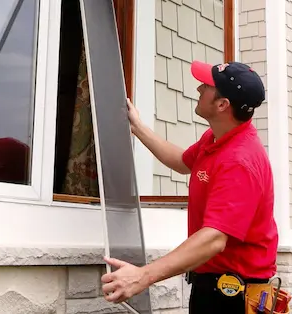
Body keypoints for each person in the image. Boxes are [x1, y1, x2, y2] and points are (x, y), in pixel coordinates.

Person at [100, 61, 280, 314]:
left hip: (235, 298)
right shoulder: (216, 139)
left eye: (206, 86)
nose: (198, 88)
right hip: (213, 287)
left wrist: (143, 276)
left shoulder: (240, 161)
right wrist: (137, 127)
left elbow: (214, 239)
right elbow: (182, 161)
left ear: (222, 105)